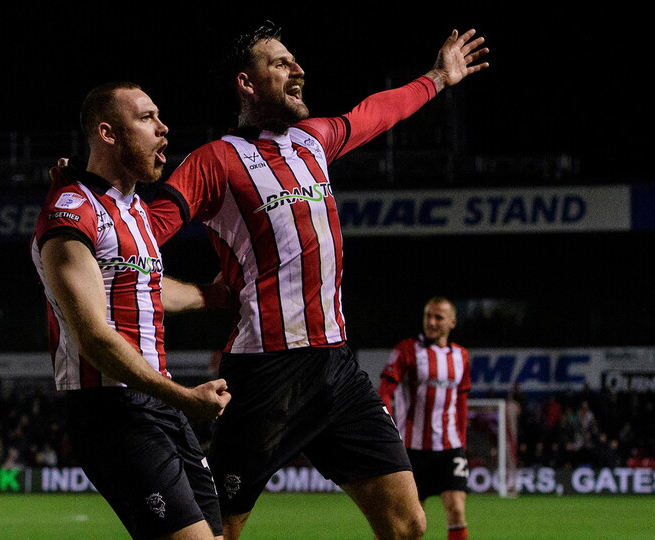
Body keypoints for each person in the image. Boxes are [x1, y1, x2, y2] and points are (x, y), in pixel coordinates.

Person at [147, 21, 488, 540]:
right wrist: (197, 293)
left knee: (408, 525)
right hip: (265, 374)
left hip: (336, 367)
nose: (298, 69)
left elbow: (377, 112)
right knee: (219, 533)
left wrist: (438, 78)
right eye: (280, 63)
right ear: (246, 83)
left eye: (295, 61)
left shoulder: (313, 140)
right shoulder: (214, 161)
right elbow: (142, 236)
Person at [31, 81, 232, 540]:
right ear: (107, 133)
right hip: (111, 410)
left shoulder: (135, 209)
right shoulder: (70, 214)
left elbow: (147, 289)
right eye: (146, 118)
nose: (163, 128)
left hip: (156, 403)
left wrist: (213, 295)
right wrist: (184, 397)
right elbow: (94, 339)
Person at [379, 297, 472, 540]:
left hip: (449, 448)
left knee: (456, 508)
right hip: (411, 450)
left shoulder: (461, 356)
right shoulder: (407, 350)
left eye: (438, 317)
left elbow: (461, 402)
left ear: (452, 322)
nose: (431, 322)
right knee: (410, 524)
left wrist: (462, 441)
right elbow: (385, 391)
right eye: (427, 316)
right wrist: (386, 429)